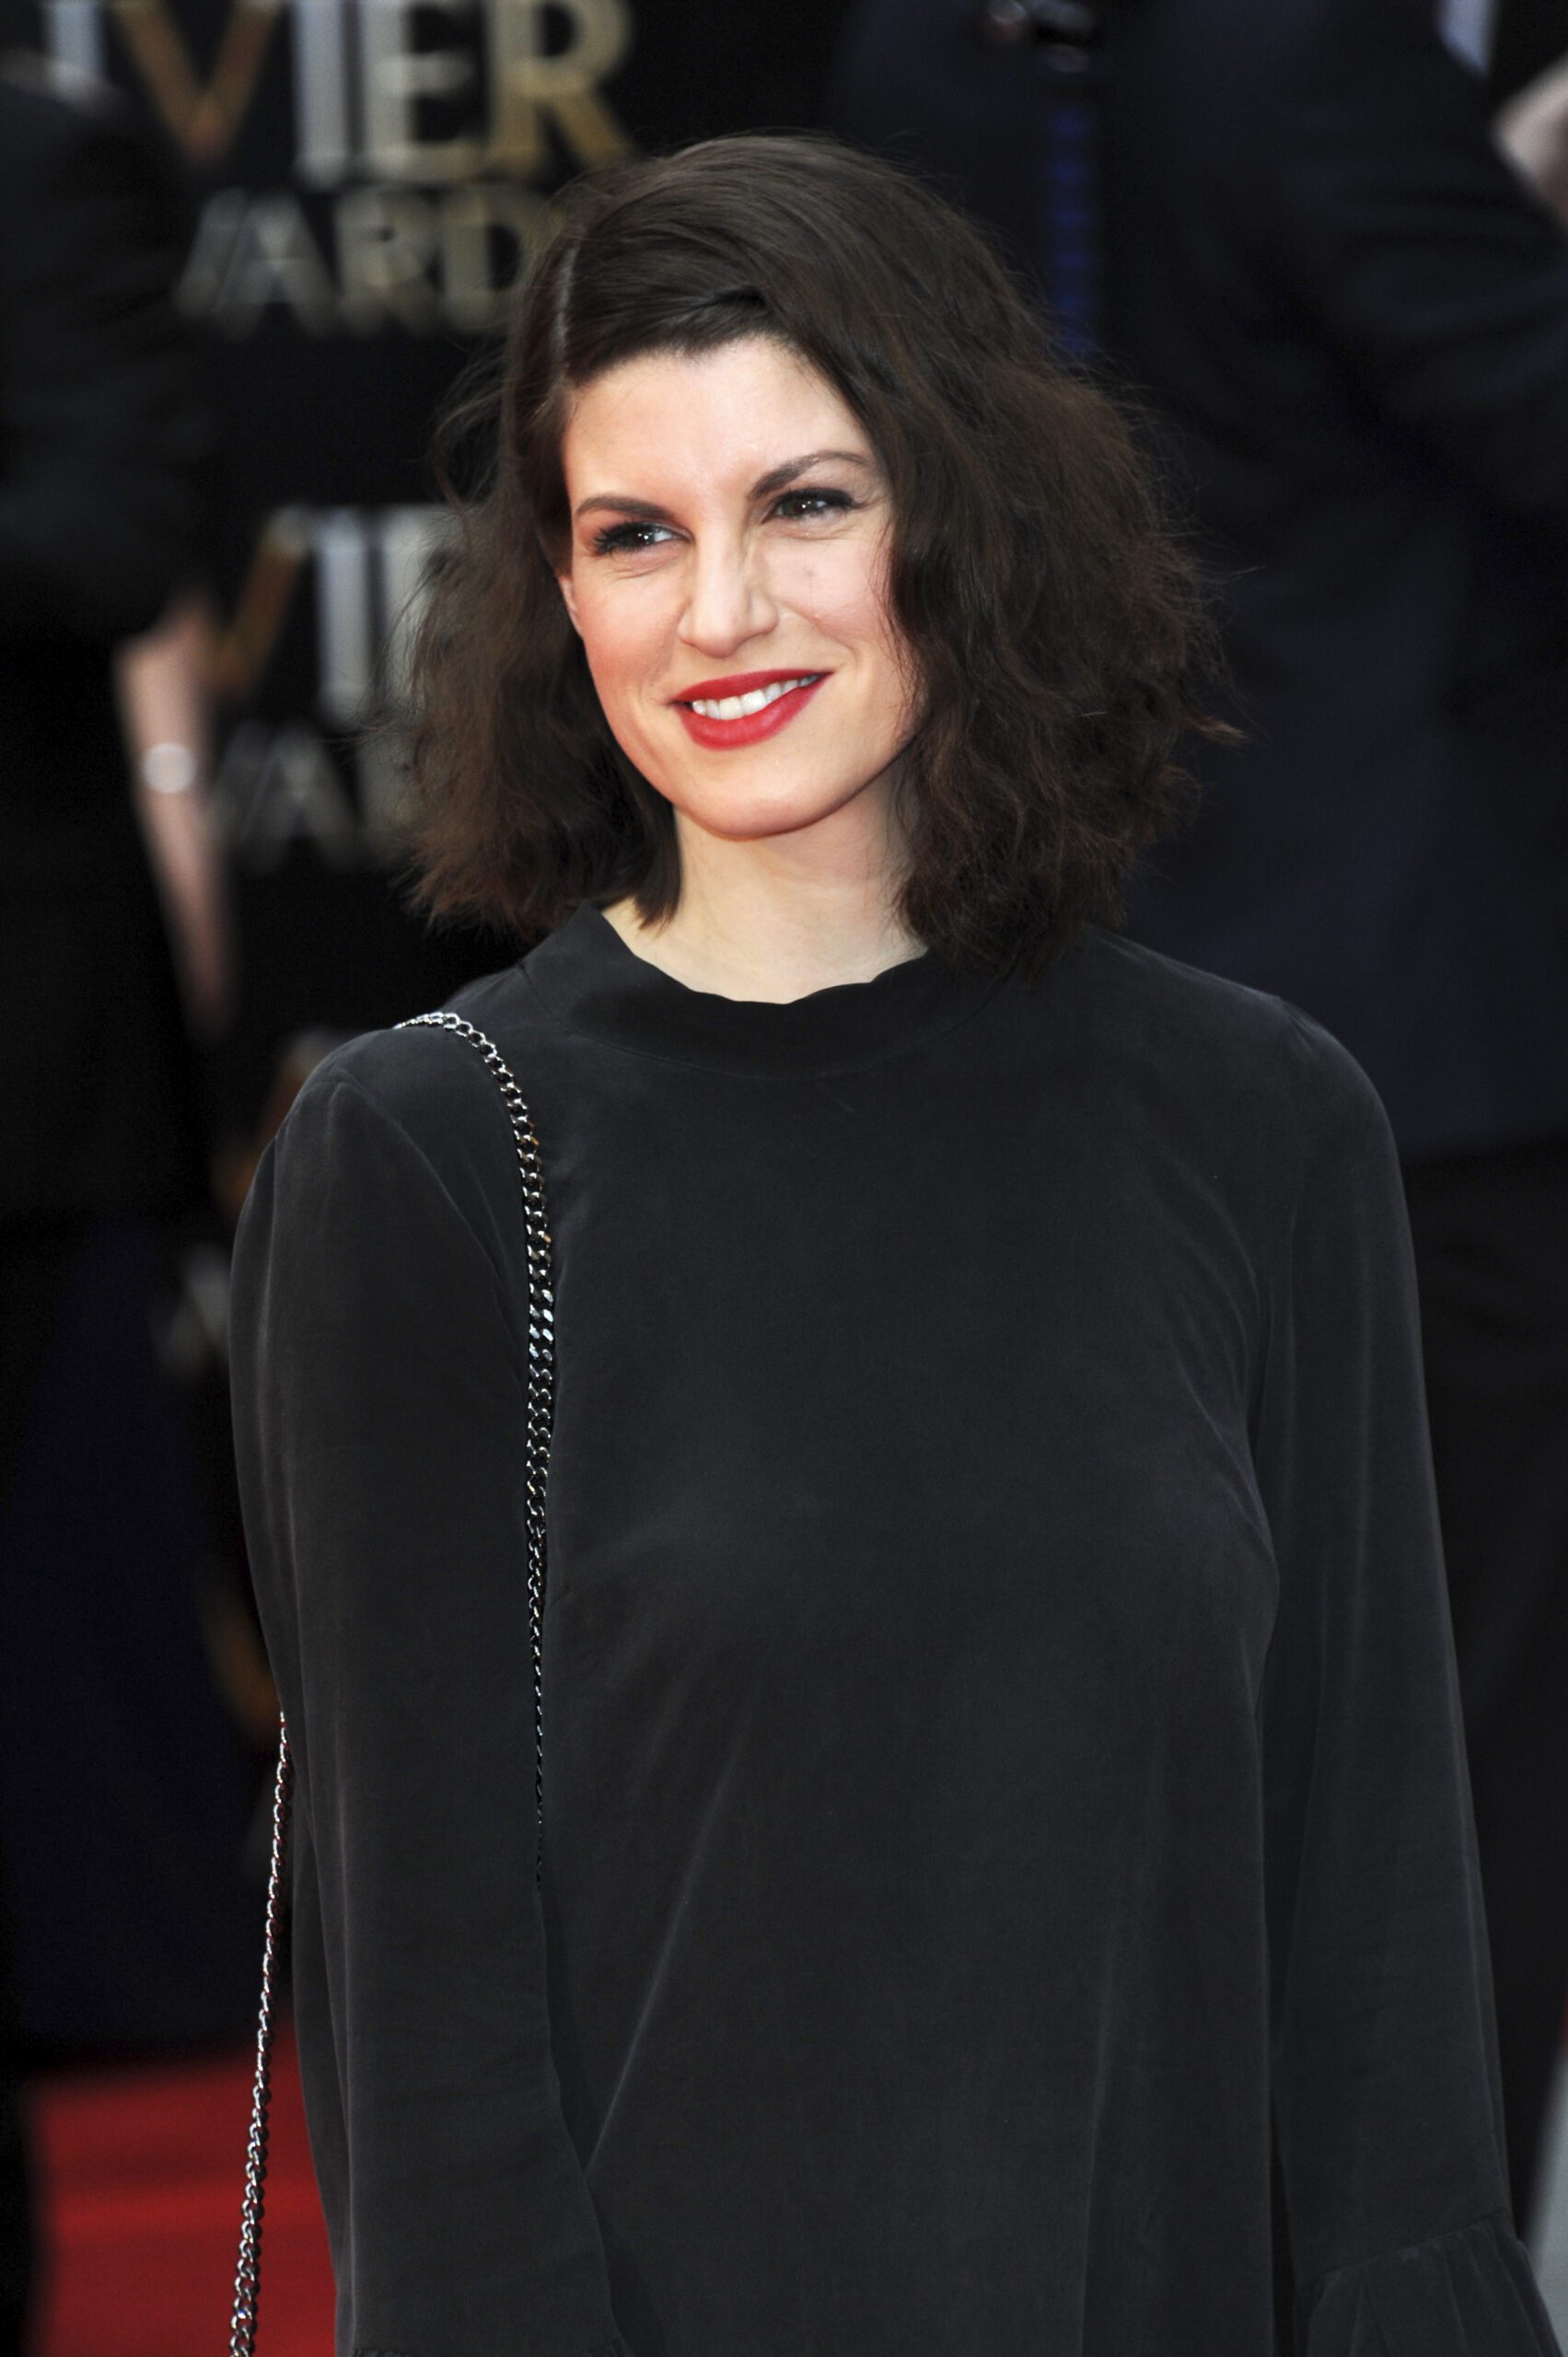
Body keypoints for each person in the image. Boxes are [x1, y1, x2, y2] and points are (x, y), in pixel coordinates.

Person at [228, 134, 1560, 2357]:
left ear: (966, 515)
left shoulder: (1263, 1130)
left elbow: (1385, 1999)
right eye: (632, 534)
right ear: (561, 595)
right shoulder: (435, 1161)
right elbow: (430, 2065)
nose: (717, 613)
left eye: (806, 504)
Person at [824, 0, 1568, 2234]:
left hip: (1078, 1004)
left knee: (1156, 1716)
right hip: (1421, 1038)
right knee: (1452, 1727)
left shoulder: (912, 64)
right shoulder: (1317, 61)